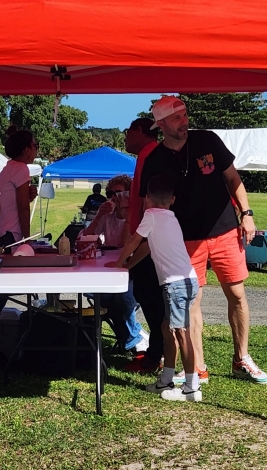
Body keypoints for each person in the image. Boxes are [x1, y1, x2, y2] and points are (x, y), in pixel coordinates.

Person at [138, 95, 267, 386]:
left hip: (225, 230)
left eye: (185, 115)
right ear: (161, 124)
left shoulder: (208, 140)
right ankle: (197, 366)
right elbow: (149, 205)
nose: (184, 122)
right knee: (191, 301)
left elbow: (233, 179)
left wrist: (247, 214)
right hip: (184, 239)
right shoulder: (154, 159)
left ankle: (242, 358)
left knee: (237, 294)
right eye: (176, 118)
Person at [111, 174, 200, 402]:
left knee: (180, 333)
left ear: (147, 200)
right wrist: (127, 266)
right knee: (166, 328)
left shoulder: (150, 215)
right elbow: (147, 247)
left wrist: (118, 264)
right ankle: (166, 379)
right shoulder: (170, 217)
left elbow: (134, 241)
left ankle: (192, 387)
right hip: (188, 281)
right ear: (172, 200)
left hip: (175, 284)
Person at [0, 129, 37, 363]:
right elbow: (22, 208)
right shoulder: (21, 169)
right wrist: (28, 239)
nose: (36, 149)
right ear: (25, 150)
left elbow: (15, 201)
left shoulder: (8, 169)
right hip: (9, 237)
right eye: (35, 145)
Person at [81, 175, 148, 352]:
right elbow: (86, 238)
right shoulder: (107, 214)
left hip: (133, 269)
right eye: (110, 193)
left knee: (122, 299)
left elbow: (125, 243)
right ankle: (135, 337)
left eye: (118, 193)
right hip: (111, 269)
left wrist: (128, 214)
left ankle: (133, 339)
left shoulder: (138, 215)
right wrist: (99, 216)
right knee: (103, 298)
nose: (114, 197)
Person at [124, 117, 164, 373]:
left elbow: (149, 203)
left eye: (127, 132)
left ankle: (156, 355)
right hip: (146, 238)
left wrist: (139, 242)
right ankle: (156, 353)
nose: (126, 138)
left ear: (139, 131)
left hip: (150, 241)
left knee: (152, 299)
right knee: (147, 296)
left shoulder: (151, 156)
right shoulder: (146, 156)